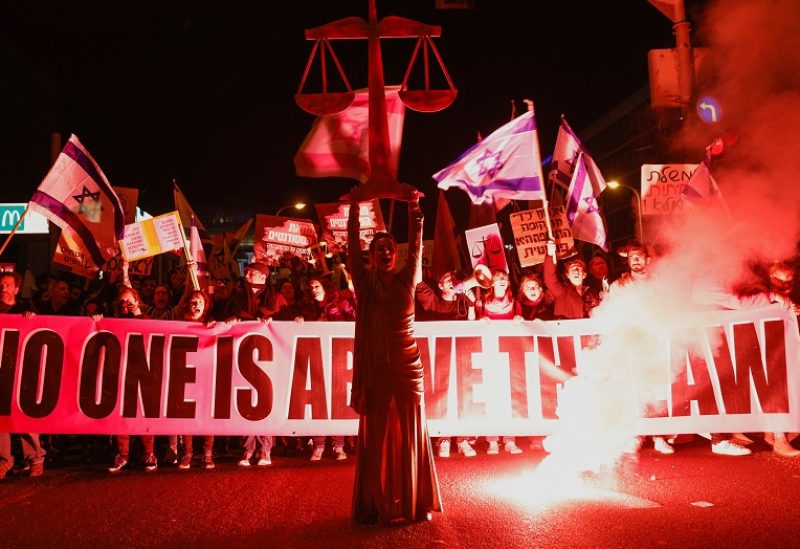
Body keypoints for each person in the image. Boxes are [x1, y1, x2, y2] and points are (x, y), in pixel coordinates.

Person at [348, 184, 442, 525]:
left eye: (390, 248)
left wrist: (414, 208)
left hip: (407, 366)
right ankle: (375, 505)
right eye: (380, 249)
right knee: (375, 438)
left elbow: (416, 242)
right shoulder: (364, 281)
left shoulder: (408, 277)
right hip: (376, 369)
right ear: (372, 256)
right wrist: (357, 209)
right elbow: (352, 244)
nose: (386, 252)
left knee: (411, 433)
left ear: (396, 253)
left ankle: (414, 502)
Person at [609, 241, 674, 455]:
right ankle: (636, 435)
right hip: (632, 345)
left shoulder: (661, 283)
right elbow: (612, 314)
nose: (635, 261)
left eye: (638, 257)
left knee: (658, 391)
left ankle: (658, 436)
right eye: (631, 258)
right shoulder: (619, 286)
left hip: (656, 343)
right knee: (634, 391)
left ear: (647, 260)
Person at [415, 270, 478, 458]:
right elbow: (418, 282)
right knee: (440, 397)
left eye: (455, 281)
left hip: (459, 357)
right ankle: (443, 439)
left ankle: (463, 439)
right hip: (436, 358)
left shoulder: (461, 302)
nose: (452, 283)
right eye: (447, 281)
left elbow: (472, 323)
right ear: (440, 285)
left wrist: (471, 303)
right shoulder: (431, 299)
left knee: (463, 396)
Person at [303, 276, 355, 461]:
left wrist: (353, 291)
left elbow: (356, 314)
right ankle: (318, 445)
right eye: (311, 287)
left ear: (325, 287)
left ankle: (338, 445)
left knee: (337, 401)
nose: (313, 289)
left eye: (316, 285)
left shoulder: (339, 303)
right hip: (318, 358)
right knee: (318, 401)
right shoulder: (308, 307)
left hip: (338, 357)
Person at [0, 272, 46, 479]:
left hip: (19, 369)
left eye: (8, 285)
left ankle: (35, 458)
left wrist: (31, 319)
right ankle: (4, 460)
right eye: (1, 285)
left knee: (23, 414)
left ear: (17, 289)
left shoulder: (25, 309)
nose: (3, 289)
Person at [476, 269, 524, 455]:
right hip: (489, 355)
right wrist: (481, 319)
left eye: (504, 278)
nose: (502, 281)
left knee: (509, 397)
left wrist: (520, 319)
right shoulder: (483, 303)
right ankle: (493, 441)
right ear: (491, 283)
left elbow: (521, 325)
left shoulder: (515, 304)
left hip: (509, 355)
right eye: (498, 278)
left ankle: (510, 440)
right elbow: (474, 324)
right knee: (492, 396)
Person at [544, 241, 602, 319]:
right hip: (567, 330)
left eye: (579, 268)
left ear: (584, 275)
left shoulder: (593, 293)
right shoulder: (562, 292)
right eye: (572, 269)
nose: (576, 271)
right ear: (567, 275)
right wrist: (550, 255)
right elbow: (549, 279)